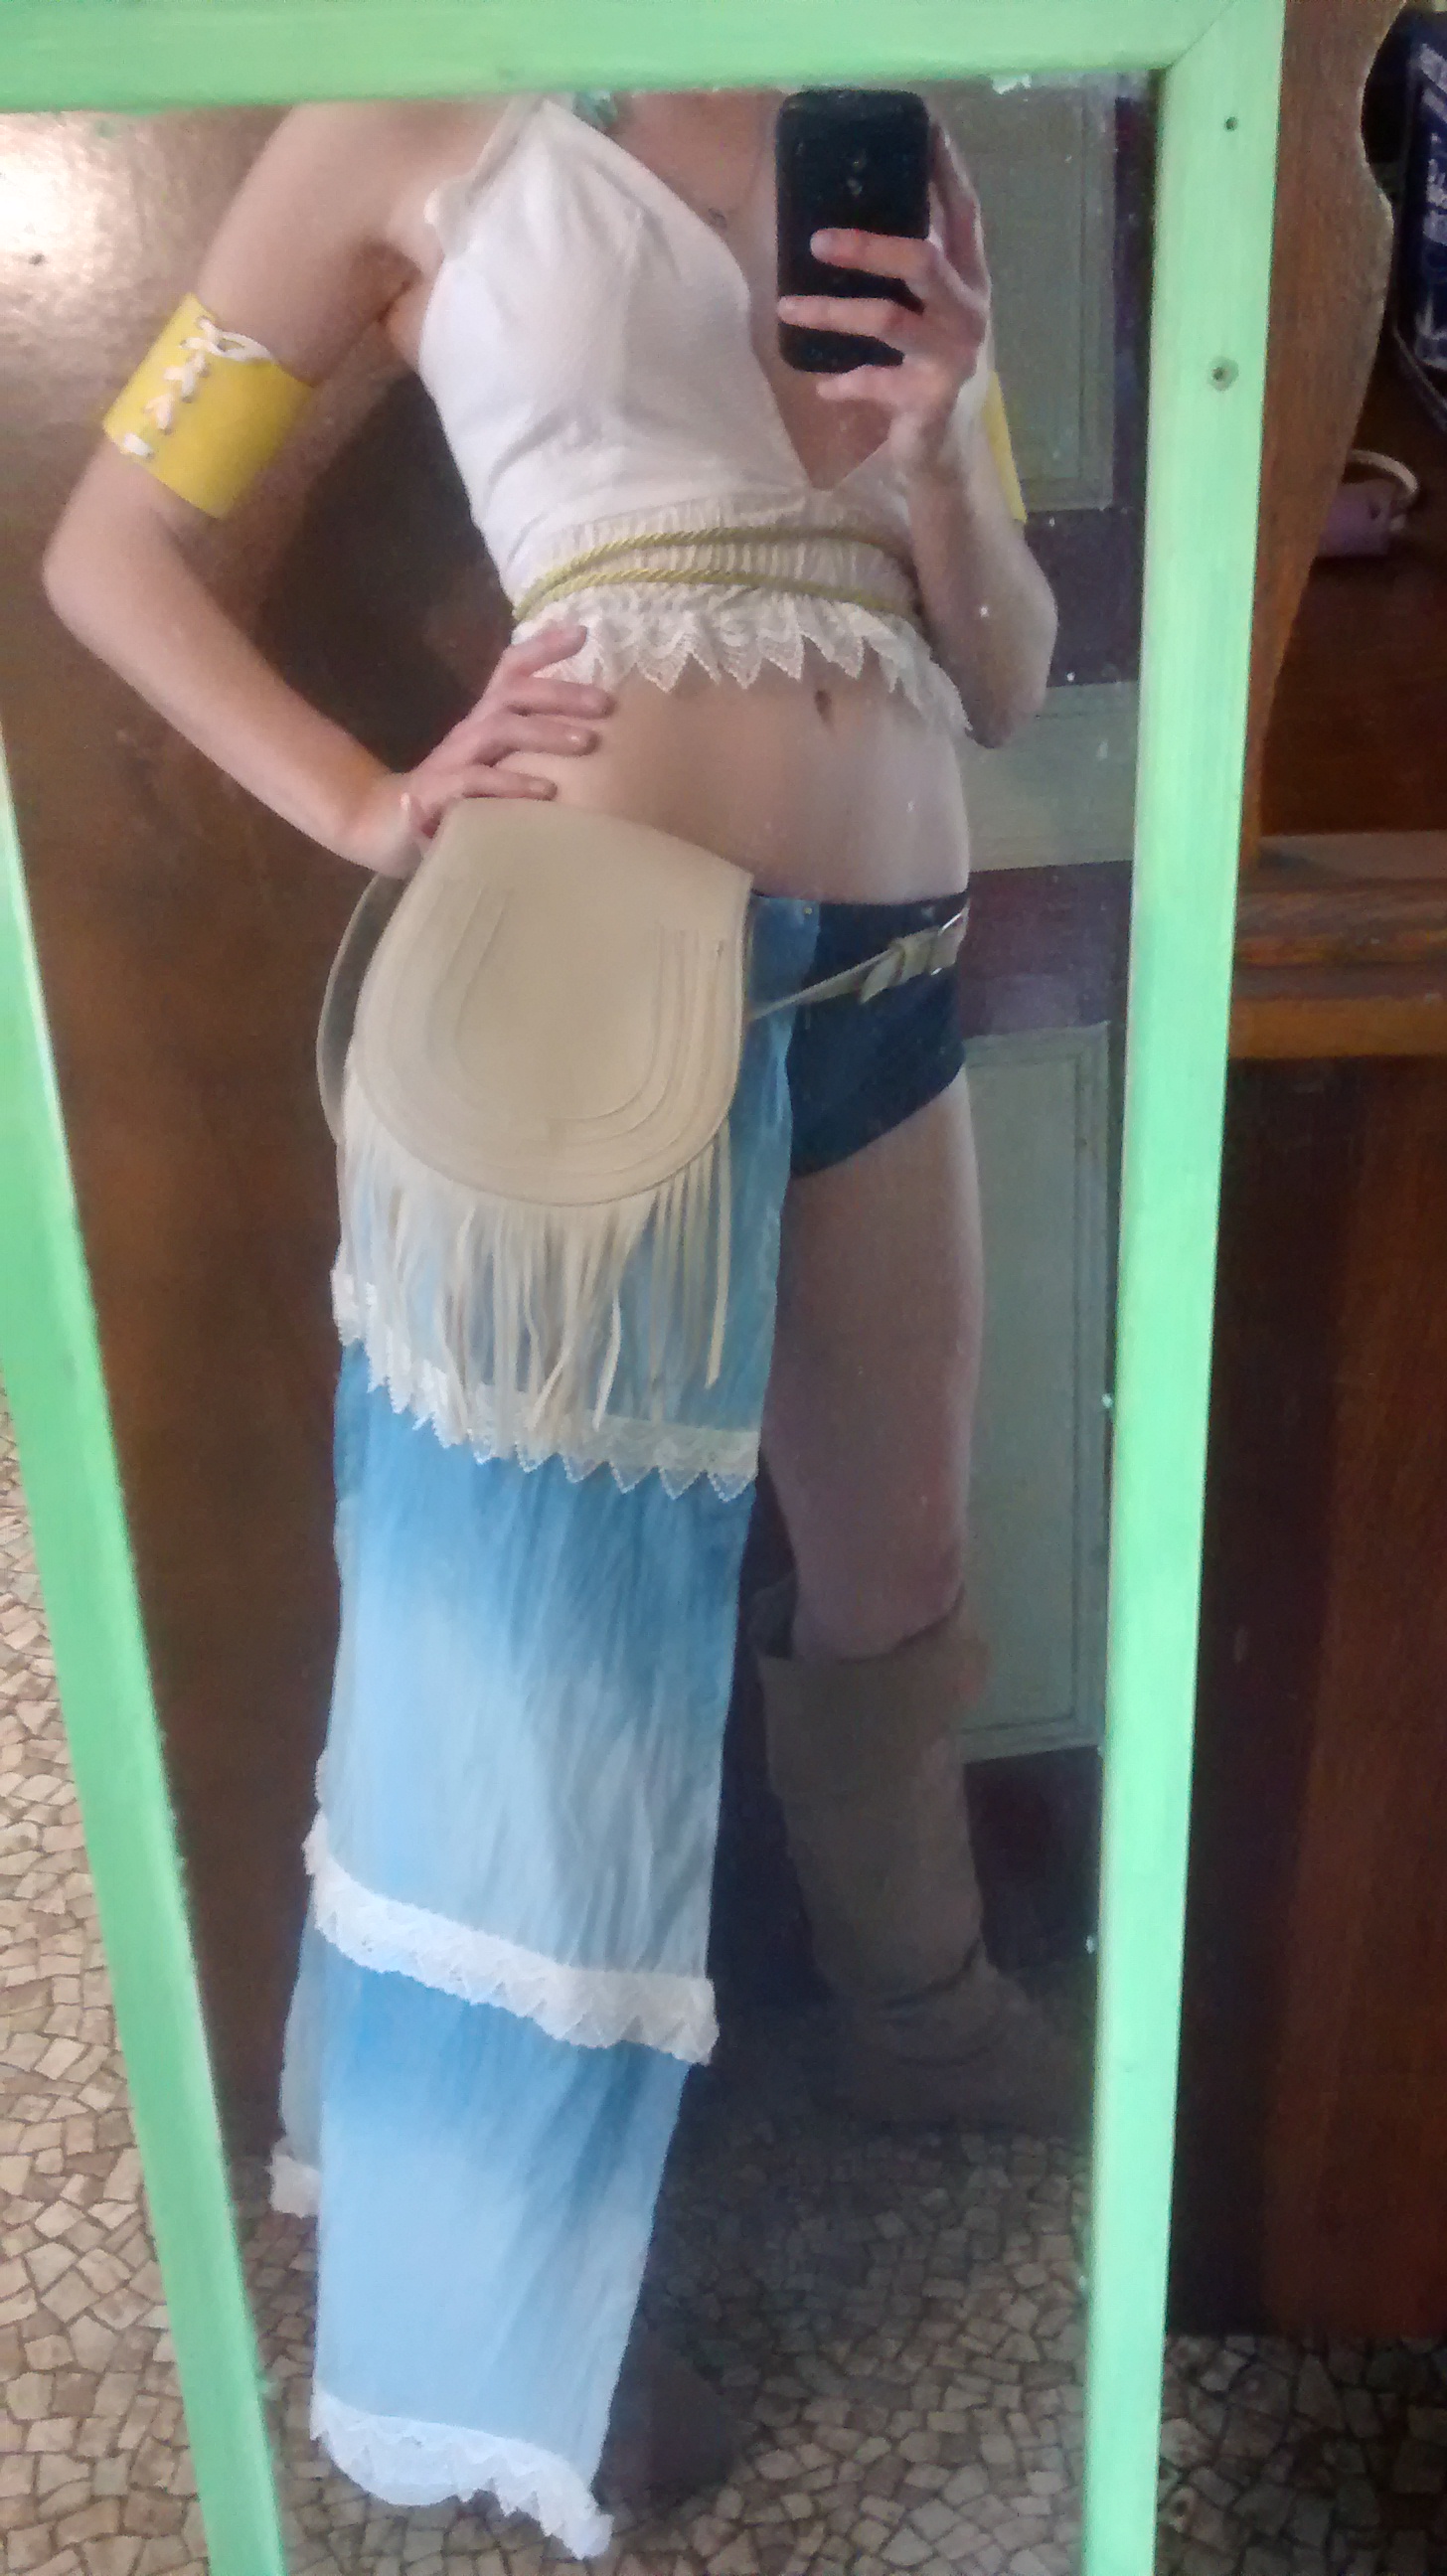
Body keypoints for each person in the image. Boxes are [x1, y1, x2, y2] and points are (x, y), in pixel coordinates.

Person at [43, 84, 1068, 2552]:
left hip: (887, 968)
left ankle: (919, 2025)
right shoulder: (402, 110)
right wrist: (367, 801)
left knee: (895, 1566)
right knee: (533, 1653)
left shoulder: (874, 107)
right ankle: (520, 2320)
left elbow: (1008, 674)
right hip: (571, 972)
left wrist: (939, 440)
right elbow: (107, 550)